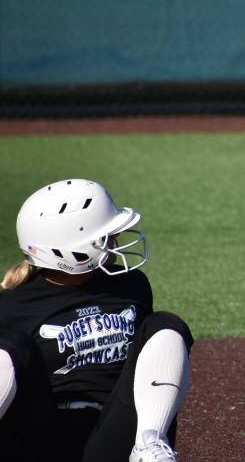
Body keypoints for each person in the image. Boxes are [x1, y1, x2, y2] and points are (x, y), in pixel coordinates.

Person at [0, 178, 193, 461]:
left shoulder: (131, 285)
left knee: (165, 325)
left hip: (115, 433)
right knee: (8, 345)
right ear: (70, 247)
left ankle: (148, 446)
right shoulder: (13, 305)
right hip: (42, 439)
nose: (115, 241)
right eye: (104, 236)